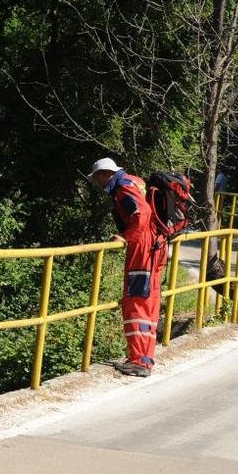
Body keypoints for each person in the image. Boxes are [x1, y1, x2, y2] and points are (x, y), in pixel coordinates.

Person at [87, 157, 167, 377]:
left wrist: (125, 237)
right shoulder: (135, 181)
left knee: (136, 303)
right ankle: (145, 358)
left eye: (97, 177)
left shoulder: (123, 187)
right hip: (156, 245)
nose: (96, 182)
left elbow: (141, 215)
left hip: (143, 248)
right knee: (149, 303)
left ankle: (139, 361)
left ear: (106, 173)